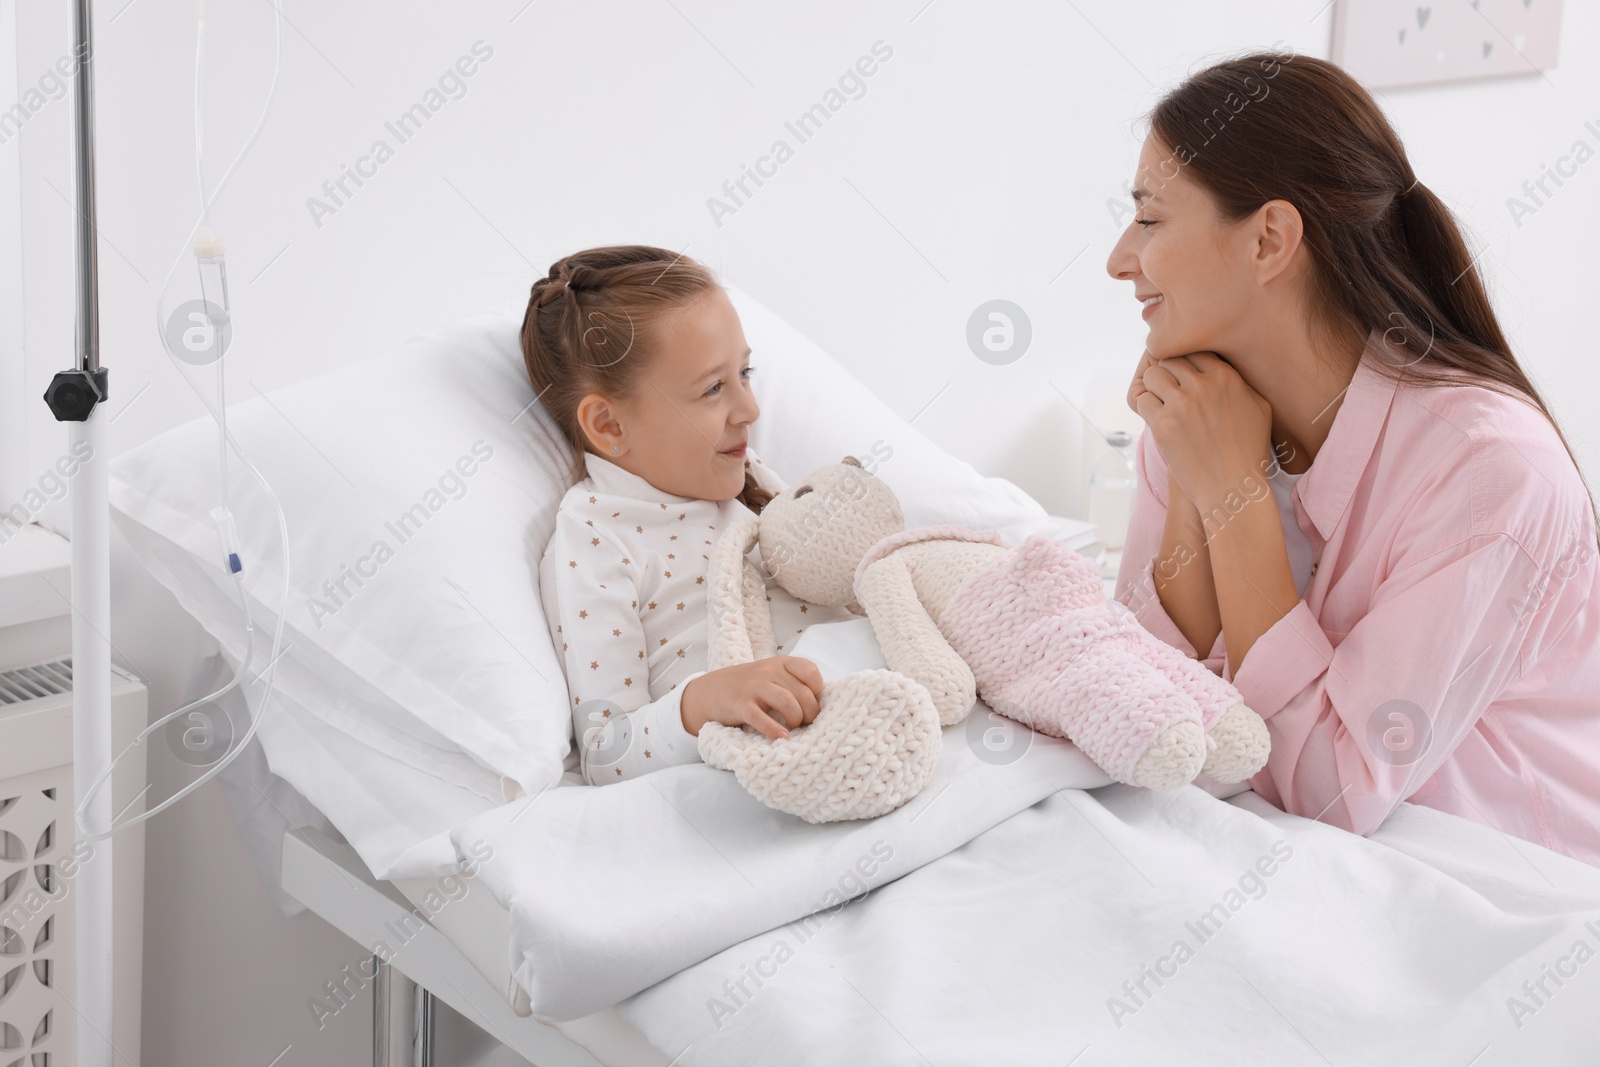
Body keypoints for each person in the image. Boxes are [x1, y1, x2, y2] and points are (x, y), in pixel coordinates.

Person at [1106, 52, 1600, 867]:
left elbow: (1334, 787)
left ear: (1269, 238)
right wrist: (1200, 483)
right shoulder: (1199, 412)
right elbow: (1140, 698)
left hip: (1516, 871)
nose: (1121, 259)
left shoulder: (1489, 473)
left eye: (1151, 220)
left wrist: (1233, 493)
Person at [522, 244, 851, 785]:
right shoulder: (596, 538)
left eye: (745, 373)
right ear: (608, 425)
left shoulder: (747, 476)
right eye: (714, 388)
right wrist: (704, 700)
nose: (750, 410)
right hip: (795, 750)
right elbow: (608, 751)